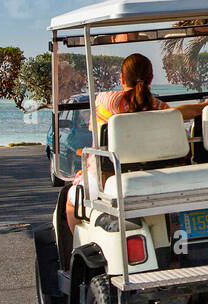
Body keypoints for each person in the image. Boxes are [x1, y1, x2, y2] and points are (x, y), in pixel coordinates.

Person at [65, 53, 170, 231]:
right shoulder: (162, 107)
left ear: (122, 78)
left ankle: (78, 246)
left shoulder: (106, 100)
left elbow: (93, 128)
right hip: (154, 174)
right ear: (151, 79)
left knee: (70, 201)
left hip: (107, 177)